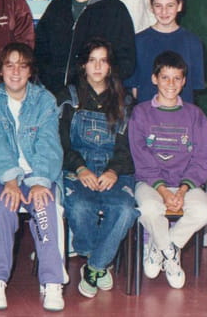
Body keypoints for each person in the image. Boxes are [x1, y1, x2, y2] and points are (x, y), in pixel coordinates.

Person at [0, 43, 67, 312]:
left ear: (30, 71)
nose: (15, 72)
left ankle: (52, 282)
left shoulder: (44, 100)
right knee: (3, 203)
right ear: (1, 70)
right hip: (0, 172)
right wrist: (10, 180)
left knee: (46, 204)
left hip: (40, 171)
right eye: (9, 65)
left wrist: (39, 181)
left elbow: (49, 145)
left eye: (22, 66)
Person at [56, 38, 139, 299]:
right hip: (77, 169)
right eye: (92, 60)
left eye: (103, 61)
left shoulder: (125, 101)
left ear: (110, 66)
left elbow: (128, 146)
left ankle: (93, 266)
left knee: (125, 209)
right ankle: (100, 260)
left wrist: (113, 170)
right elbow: (59, 143)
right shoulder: (68, 98)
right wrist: (80, 168)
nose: (98, 66)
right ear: (83, 65)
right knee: (80, 207)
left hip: (115, 171)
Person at [129, 51, 207, 289]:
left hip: (186, 184)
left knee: (205, 212)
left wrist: (183, 190)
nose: (171, 84)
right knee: (148, 209)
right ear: (154, 79)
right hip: (150, 183)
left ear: (184, 81)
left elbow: (203, 157)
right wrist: (164, 192)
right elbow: (140, 157)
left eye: (177, 78)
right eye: (165, 77)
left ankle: (164, 247)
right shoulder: (141, 113)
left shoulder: (195, 115)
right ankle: (169, 250)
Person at [35, 0, 136, 95]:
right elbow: (39, 51)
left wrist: (99, 88)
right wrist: (52, 83)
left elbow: (125, 60)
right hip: (55, 95)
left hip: (96, 97)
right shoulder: (57, 7)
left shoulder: (116, 10)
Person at [126, 0, 205, 104]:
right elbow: (134, 89)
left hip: (181, 113)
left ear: (179, 6)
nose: (164, 12)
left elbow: (193, 87)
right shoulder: (138, 42)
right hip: (148, 113)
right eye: (158, 6)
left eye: (170, 5)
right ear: (151, 7)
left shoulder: (193, 42)